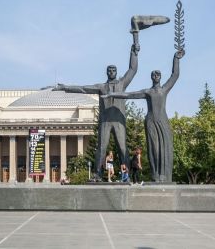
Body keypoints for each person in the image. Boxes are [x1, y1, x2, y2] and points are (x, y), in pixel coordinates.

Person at [54, 35, 140, 176]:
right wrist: (65, 87)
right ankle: (97, 174)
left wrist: (134, 53)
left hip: (119, 122)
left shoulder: (122, 84)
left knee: (122, 148)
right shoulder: (101, 87)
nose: (111, 72)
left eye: (113, 70)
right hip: (105, 122)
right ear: (107, 72)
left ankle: (127, 174)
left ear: (116, 72)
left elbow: (133, 69)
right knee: (101, 147)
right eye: (109, 70)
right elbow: (83, 89)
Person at [102, 50, 185, 182]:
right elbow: (129, 95)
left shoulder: (164, 89)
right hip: (151, 122)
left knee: (165, 149)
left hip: (163, 122)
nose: (156, 75)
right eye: (153, 74)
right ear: (151, 77)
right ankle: (155, 175)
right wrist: (112, 94)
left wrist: (176, 59)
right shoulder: (148, 92)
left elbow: (175, 75)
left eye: (158, 74)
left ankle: (164, 176)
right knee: (154, 149)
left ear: (160, 77)